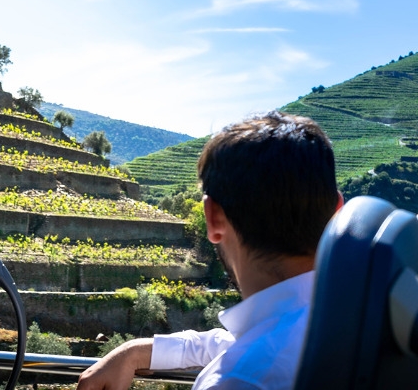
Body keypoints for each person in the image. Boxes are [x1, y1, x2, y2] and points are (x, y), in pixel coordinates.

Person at [77, 111, 343, 390]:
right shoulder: (364, 315)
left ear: (213, 217)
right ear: (338, 210)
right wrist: (135, 352)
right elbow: (252, 339)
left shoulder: (235, 381)